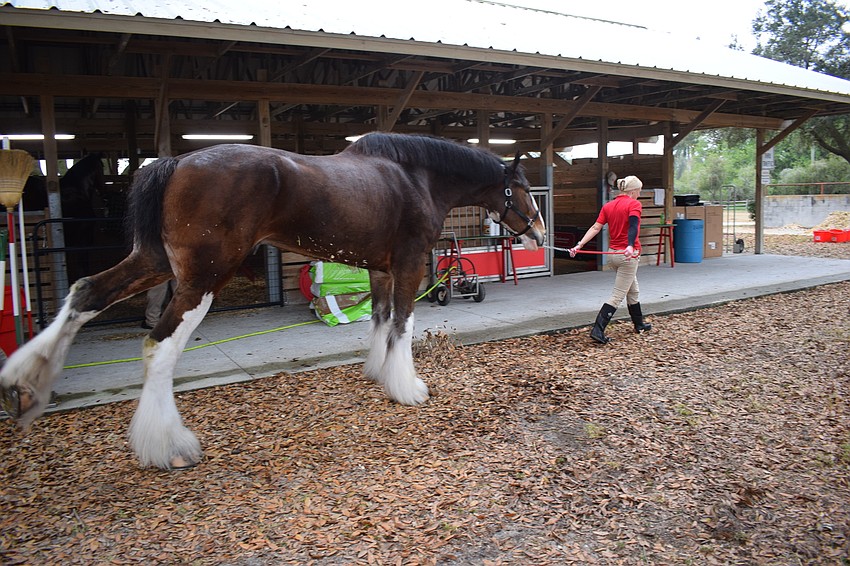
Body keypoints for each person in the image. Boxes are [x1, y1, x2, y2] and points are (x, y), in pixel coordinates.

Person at [568, 175, 652, 344]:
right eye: (639, 191)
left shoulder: (608, 206)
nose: (639, 194)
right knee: (618, 295)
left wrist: (579, 245)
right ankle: (598, 330)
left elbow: (595, 227)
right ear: (633, 191)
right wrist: (630, 245)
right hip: (627, 256)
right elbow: (633, 225)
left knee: (633, 290)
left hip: (612, 255)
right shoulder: (634, 204)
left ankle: (639, 324)